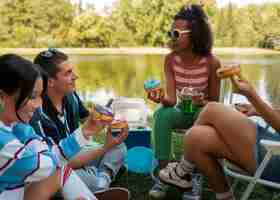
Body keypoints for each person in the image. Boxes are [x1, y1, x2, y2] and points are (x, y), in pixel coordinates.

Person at [159, 74, 280, 200]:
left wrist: (252, 95)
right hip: (271, 146)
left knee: (212, 109)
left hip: (274, 158)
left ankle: (182, 171)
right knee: (195, 137)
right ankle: (224, 196)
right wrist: (258, 110)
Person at [146, 4, 221, 199]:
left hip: (203, 112)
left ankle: (191, 177)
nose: (172, 36)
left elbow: (215, 103)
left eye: (177, 33)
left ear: (195, 34)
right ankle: (164, 175)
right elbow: (171, 99)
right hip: (181, 109)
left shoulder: (212, 62)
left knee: (202, 120)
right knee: (162, 114)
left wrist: (201, 101)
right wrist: (161, 98)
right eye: (171, 32)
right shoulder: (170, 59)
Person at [0, 54, 98, 200]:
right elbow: (48, 165)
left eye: (40, 96)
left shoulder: (17, 127)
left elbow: (51, 156)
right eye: (32, 96)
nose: (38, 104)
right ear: (2, 97)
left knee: (62, 172)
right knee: (60, 170)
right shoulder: (4, 142)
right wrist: (40, 146)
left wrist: (87, 130)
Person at [31, 48, 128, 193]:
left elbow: (86, 119)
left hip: (80, 152)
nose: (75, 76)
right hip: (60, 164)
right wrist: (104, 148)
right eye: (68, 73)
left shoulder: (70, 95)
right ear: (50, 81)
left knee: (119, 147)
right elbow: (63, 161)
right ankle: (103, 179)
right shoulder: (38, 115)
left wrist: (106, 120)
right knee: (75, 176)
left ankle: (101, 177)